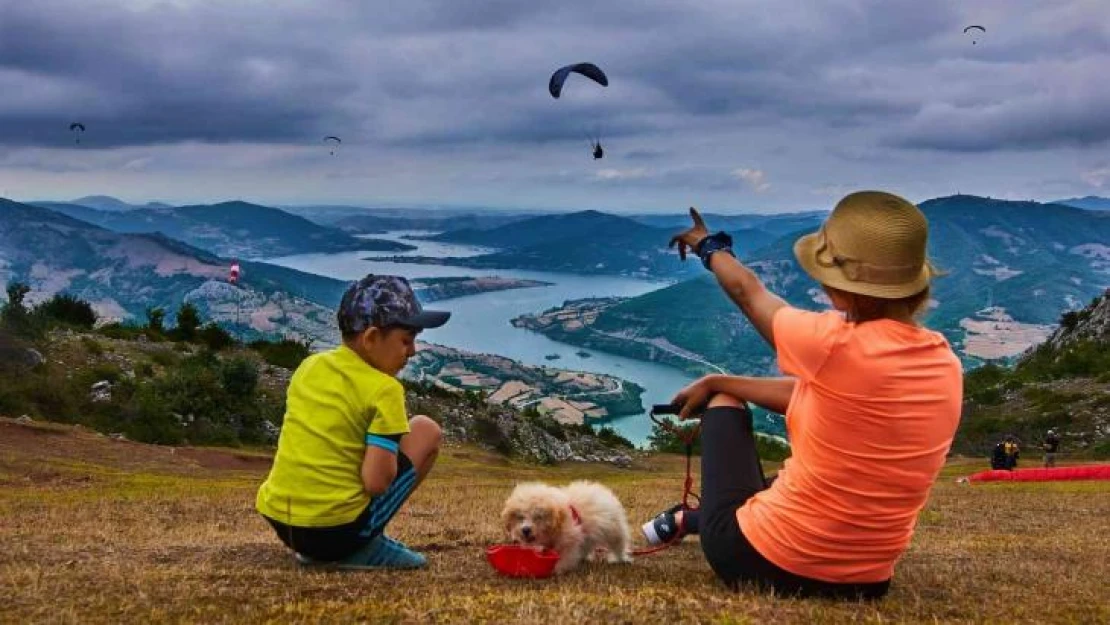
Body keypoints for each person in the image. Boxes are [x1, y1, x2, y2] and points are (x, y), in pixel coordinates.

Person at [640, 192, 962, 599]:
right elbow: (817, 395)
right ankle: (691, 519)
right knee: (792, 473)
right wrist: (720, 379)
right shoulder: (943, 363)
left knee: (726, 408)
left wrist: (708, 245)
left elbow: (748, 293)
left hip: (755, 560)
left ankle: (697, 519)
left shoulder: (830, 345)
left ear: (841, 286)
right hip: (867, 581)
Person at [256, 275, 449, 569]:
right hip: (335, 531)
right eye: (406, 341)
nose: (412, 352)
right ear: (371, 338)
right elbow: (376, 482)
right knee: (426, 430)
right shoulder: (385, 390)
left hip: (284, 522)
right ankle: (364, 545)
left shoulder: (310, 366)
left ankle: (327, 547)